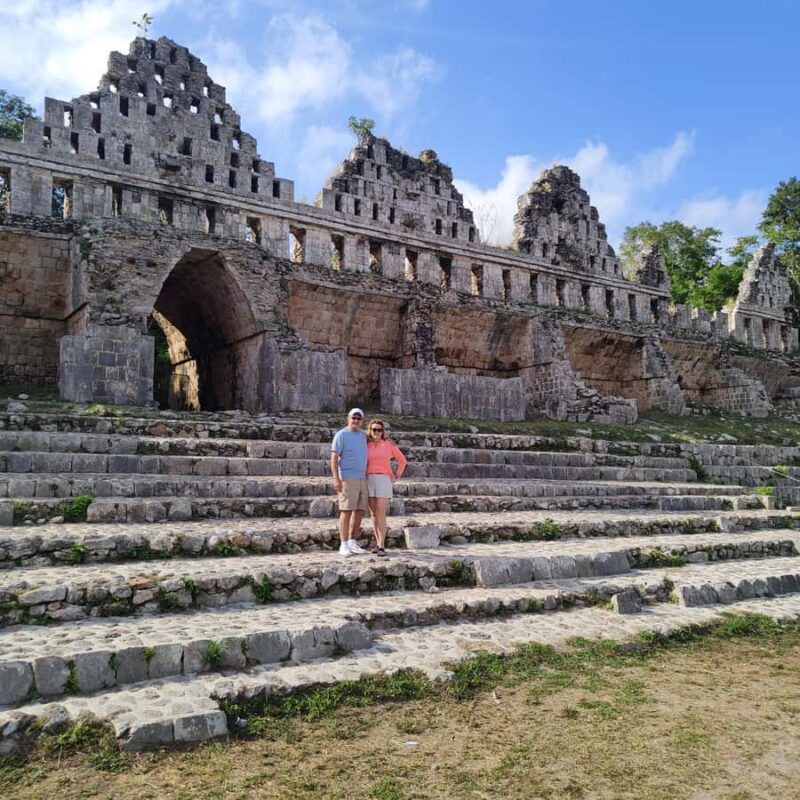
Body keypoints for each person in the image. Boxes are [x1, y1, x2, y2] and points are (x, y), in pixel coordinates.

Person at [330, 408, 369, 556]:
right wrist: (336, 479)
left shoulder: (363, 436)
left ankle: (352, 541)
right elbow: (334, 458)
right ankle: (344, 543)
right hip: (347, 477)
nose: (356, 421)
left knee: (359, 511)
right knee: (346, 511)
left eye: (359, 419)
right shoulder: (341, 435)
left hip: (362, 478)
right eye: (353, 418)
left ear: (362, 421)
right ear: (348, 418)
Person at [366, 417, 407, 557]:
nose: (376, 432)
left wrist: (397, 475)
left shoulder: (388, 445)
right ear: (370, 431)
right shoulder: (367, 445)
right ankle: (377, 543)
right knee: (373, 514)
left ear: (382, 431)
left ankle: (382, 545)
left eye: (379, 429)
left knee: (381, 512)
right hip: (369, 478)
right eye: (374, 429)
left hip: (384, 479)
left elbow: (402, 460)